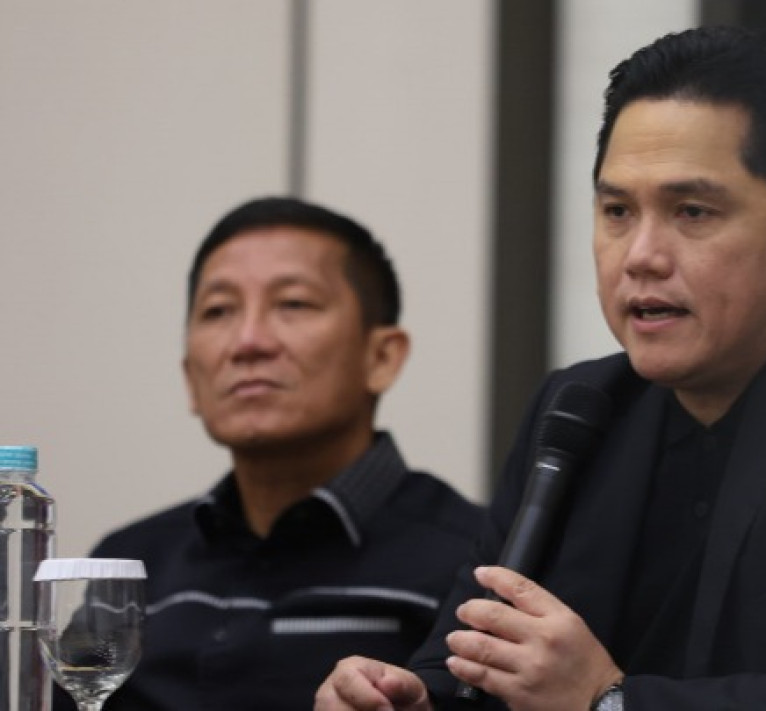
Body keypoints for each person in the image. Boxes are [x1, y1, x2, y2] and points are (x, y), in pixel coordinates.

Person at [315, 26, 766, 711]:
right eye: (616, 210)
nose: (641, 256)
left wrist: (610, 702)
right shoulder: (580, 407)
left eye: (691, 211)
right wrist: (408, 697)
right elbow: (468, 660)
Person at [56, 197, 483, 711]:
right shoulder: (131, 565)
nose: (248, 341)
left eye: (293, 304)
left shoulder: (474, 563)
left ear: (381, 357)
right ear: (191, 376)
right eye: (218, 311)